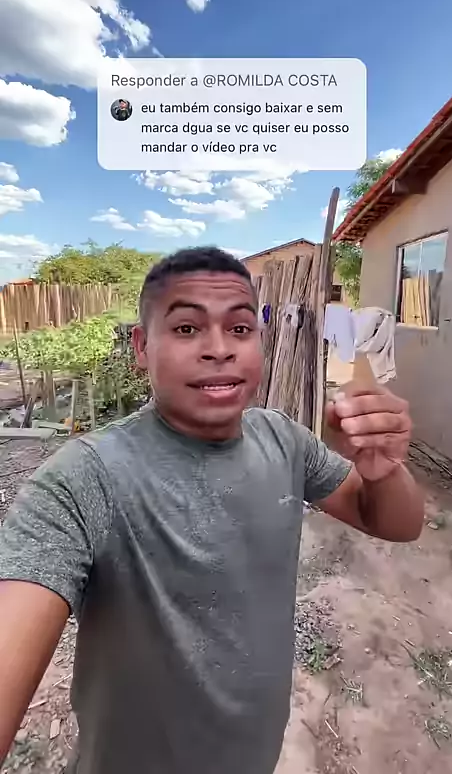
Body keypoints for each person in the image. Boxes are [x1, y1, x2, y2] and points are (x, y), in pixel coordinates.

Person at [0, 248, 424, 774]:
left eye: (240, 329)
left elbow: (397, 523)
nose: (220, 349)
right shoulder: (85, 479)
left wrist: (383, 472)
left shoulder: (284, 440)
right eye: (186, 328)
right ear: (141, 346)